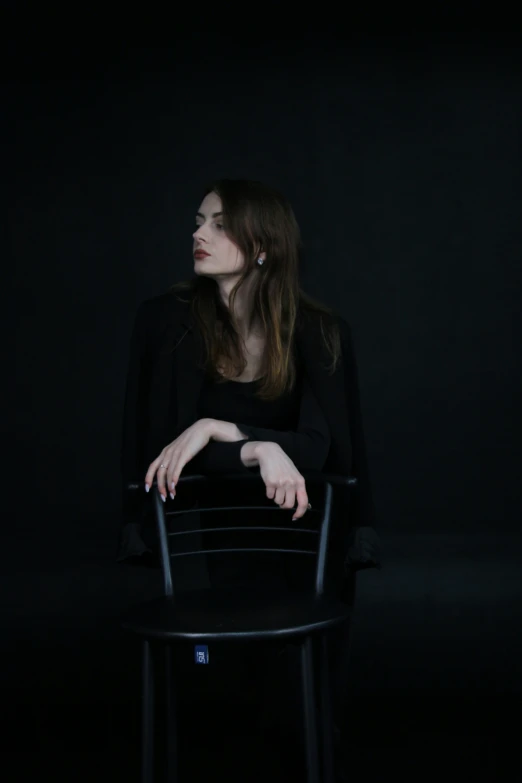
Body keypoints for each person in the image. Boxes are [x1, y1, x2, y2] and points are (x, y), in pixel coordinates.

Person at [118, 178, 380, 776]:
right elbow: (163, 455)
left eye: (217, 223)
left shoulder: (319, 331)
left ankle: (307, 742)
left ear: (261, 245)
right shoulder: (166, 323)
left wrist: (231, 433)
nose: (198, 233)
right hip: (212, 530)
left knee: (300, 692)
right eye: (198, 221)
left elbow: (322, 448)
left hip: (307, 529)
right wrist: (243, 446)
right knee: (234, 687)